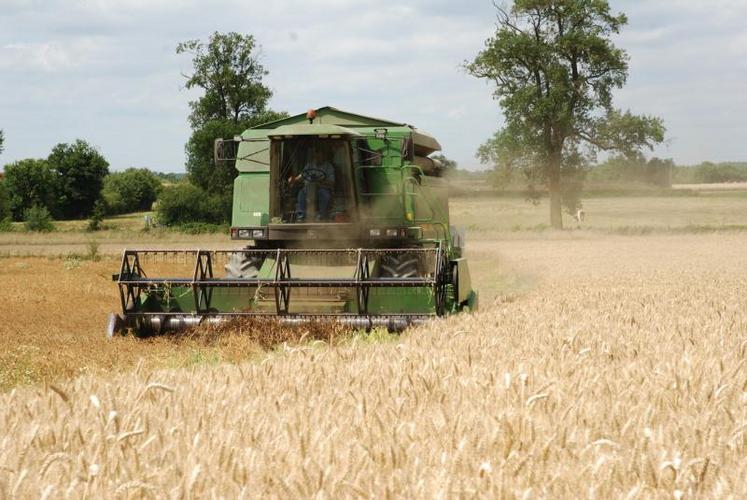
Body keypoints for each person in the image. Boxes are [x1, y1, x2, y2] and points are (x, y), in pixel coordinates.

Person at [288, 148, 335, 221]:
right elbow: (302, 176)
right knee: (301, 193)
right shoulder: (309, 165)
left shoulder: (328, 166)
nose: (317, 158)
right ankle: (302, 215)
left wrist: (320, 181)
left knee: (325, 195)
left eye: (319, 156)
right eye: (316, 156)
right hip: (308, 189)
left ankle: (321, 215)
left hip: (322, 188)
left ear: (323, 156)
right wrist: (294, 179)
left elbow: (332, 182)